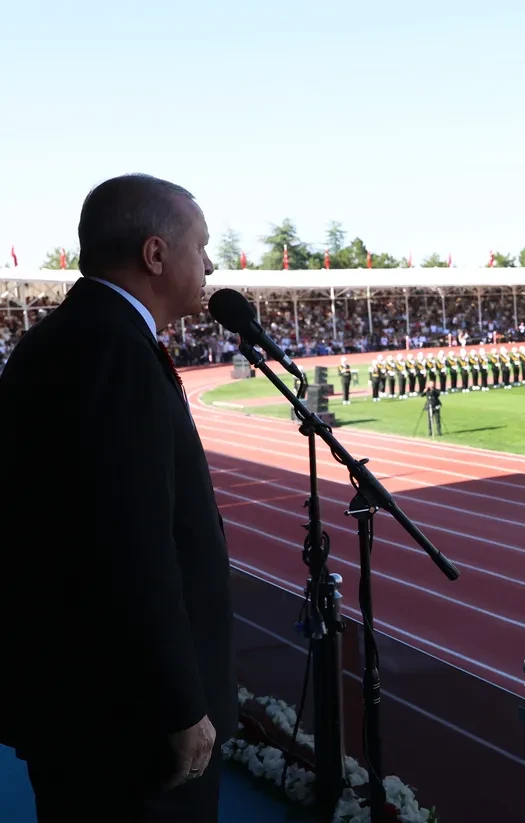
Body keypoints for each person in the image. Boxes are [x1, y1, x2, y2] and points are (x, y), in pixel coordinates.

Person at [0, 174, 234, 821]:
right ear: (156, 254)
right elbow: (132, 548)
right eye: (201, 246)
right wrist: (181, 705)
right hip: (129, 723)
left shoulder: (70, 339)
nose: (210, 263)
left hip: (85, 705)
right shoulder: (113, 352)